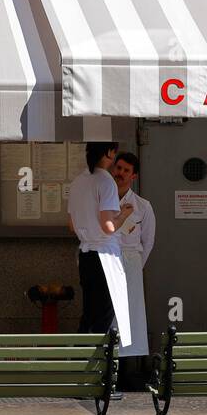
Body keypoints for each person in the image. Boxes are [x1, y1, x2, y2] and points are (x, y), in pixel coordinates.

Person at [67, 143, 134, 349]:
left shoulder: (79, 180)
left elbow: (71, 225)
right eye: (114, 151)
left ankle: (79, 361)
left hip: (85, 255)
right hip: (105, 255)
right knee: (104, 315)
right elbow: (108, 226)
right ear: (108, 153)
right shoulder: (106, 181)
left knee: (89, 313)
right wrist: (123, 214)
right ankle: (96, 369)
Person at [111, 151, 155, 382]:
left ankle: (127, 373)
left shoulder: (142, 206)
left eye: (126, 170)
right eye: (118, 168)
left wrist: (135, 267)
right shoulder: (103, 201)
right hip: (107, 260)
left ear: (134, 176)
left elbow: (147, 241)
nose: (120, 173)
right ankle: (106, 371)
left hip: (131, 263)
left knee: (130, 317)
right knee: (107, 315)